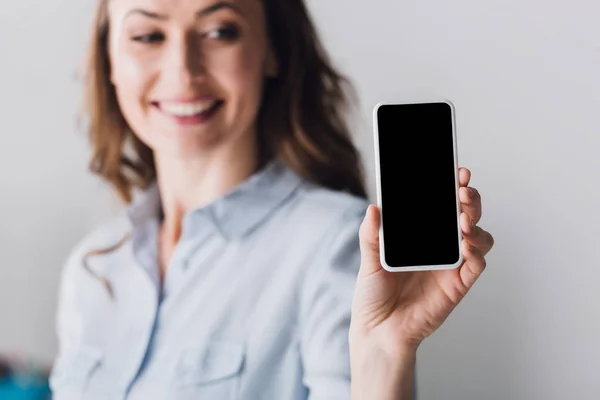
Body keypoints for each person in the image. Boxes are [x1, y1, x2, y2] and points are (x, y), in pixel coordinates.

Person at [49, 0, 494, 399]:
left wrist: (384, 352)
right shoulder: (92, 266)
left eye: (220, 31)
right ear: (108, 59)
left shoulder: (341, 245)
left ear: (273, 50)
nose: (183, 71)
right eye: (148, 35)